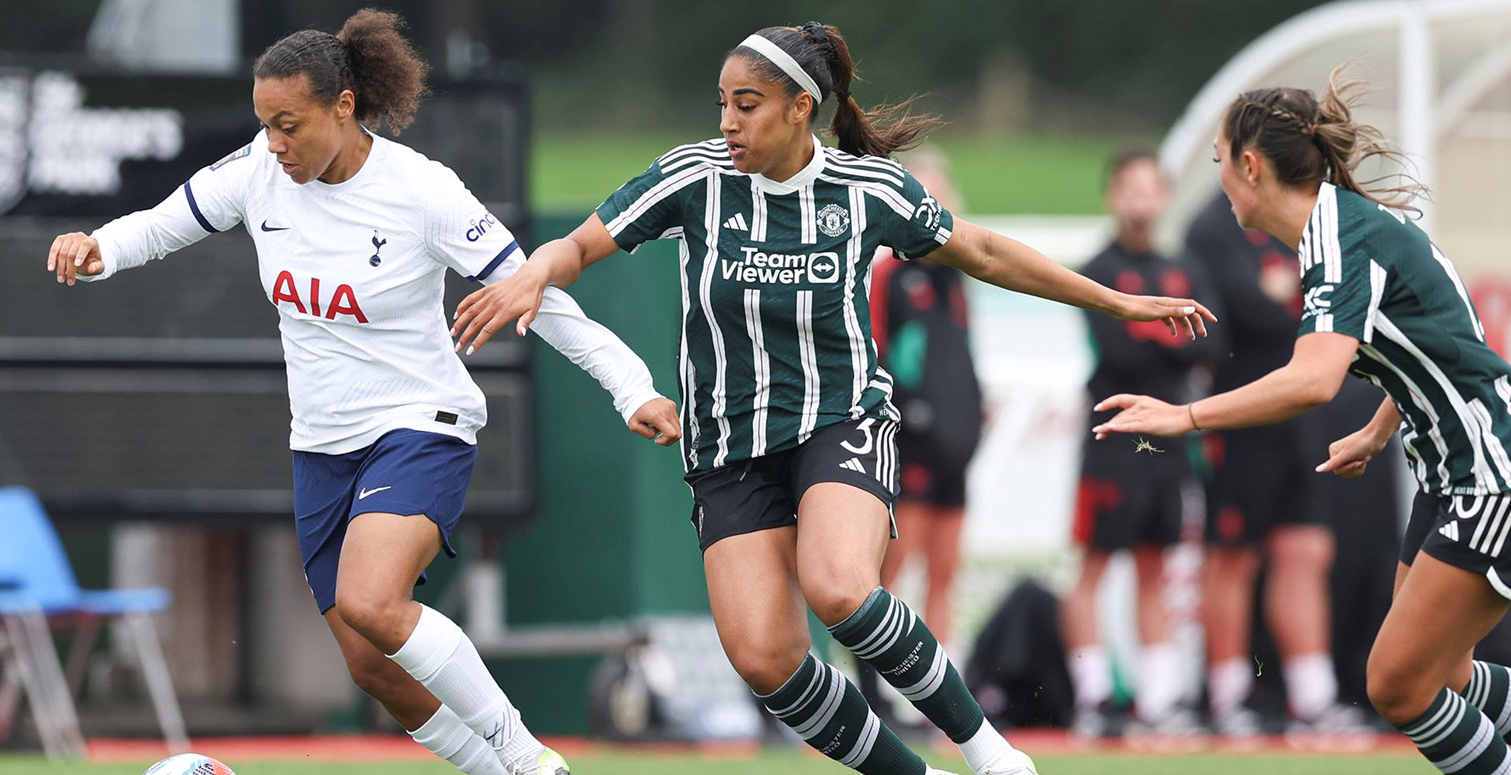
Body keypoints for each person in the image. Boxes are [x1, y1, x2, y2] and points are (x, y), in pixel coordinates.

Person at [451, 22, 1212, 775]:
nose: (727, 121)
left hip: (839, 417)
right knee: (765, 658)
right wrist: (534, 273)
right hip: (727, 446)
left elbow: (981, 250)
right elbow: (581, 245)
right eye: (722, 103)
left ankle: (993, 756)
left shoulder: (867, 188)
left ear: (800, 108)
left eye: (746, 104)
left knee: (839, 586)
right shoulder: (692, 177)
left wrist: (1115, 301)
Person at [43, 10, 681, 775]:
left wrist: (630, 386)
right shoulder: (257, 171)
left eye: (289, 125)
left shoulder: (421, 191)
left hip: (421, 424)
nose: (274, 143)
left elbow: (534, 295)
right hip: (320, 445)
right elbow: (160, 225)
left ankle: (530, 759)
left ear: (343, 106)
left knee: (375, 601)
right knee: (371, 662)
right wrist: (98, 248)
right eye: (264, 125)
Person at [1094, 65, 1511, 775]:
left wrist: (1185, 415)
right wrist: (1377, 429)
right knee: (1443, 675)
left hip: (1493, 475)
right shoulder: (1340, 227)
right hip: (1456, 476)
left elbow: (1311, 380)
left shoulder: (1338, 237)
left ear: (1251, 166)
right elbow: (1442, 340)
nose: (1219, 180)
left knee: (1397, 685)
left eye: (1219, 161)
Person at [1183, 192, 1388, 742]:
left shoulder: (1299, 220)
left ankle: (1313, 699)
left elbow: (1332, 303)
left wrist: (1288, 294)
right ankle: (1227, 698)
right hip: (1238, 418)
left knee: (1305, 551)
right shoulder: (1210, 228)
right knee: (1232, 557)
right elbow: (1254, 310)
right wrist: (1292, 298)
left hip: (1298, 422)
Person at [1062, 149, 1213, 741]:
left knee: (1155, 567)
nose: (1140, 201)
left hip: (1169, 439)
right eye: (1129, 188)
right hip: (1113, 438)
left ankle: (1159, 700)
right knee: (1093, 568)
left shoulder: (1184, 268)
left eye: (1151, 188)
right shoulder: (1096, 269)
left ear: (1166, 196)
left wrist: (1154, 335)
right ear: (1112, 195)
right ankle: (1094, 697)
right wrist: (1171, 334)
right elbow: (1119, 348)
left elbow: (1209, 342)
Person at [860, 147, 982, 722]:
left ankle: (943, 697)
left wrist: (974, 413)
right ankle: (876, 688)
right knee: (893, 567)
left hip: (955, 444)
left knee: (945, 570)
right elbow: (878, 352)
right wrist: (909, 413)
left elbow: (961, 356)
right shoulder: (889, 275)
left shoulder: (957, 277)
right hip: (909, 442)